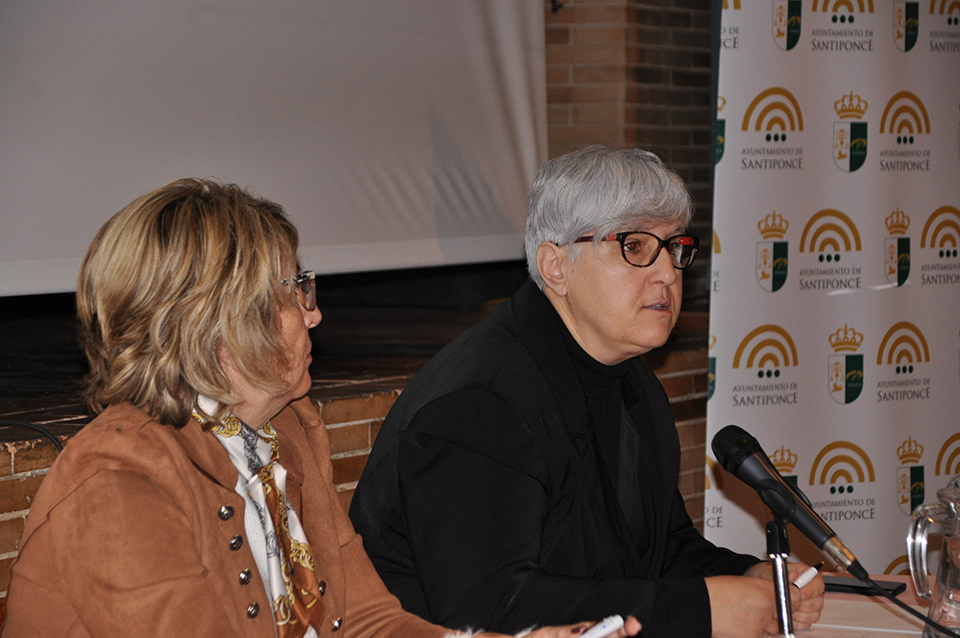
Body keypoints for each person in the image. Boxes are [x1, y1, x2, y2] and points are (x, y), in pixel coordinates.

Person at [0, 179, 641, 638]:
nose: (315, 314)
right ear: (221, 322)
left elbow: (368, 622)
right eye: (296, 289)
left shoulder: (283, 434)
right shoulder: (119, 479)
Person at [348, 146, 825, 638]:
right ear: (555, 266)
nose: (668, 272)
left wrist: (746, 576)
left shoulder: (633, 383)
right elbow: (490, 607)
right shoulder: (479, 403)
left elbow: (662, 552)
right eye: (635, 246)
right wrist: (698, 608)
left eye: (675, 247)